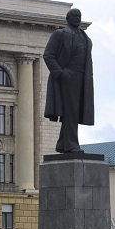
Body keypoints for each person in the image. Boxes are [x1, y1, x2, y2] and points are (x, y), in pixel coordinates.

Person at [43, 8, 94, 153]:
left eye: (79, 16)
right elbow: (48, 55)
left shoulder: (85, 37)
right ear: (68, 18)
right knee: (70, 111)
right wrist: (61, 73)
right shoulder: (60, 34)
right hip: (67, 77)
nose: (77, 18)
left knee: (76, 112)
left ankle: (63, 144)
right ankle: (71, 144)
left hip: (82, 79)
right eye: (74, 16)